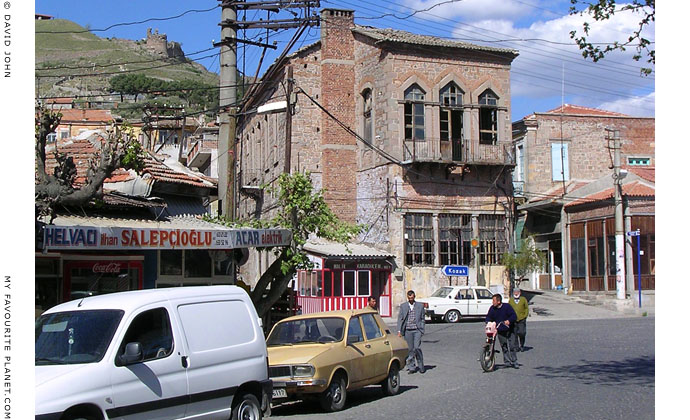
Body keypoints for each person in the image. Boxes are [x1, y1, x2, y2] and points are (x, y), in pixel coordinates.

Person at [485, 293, 519, 368]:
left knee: (512, 346)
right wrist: (488, 322)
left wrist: (509, 321)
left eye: (494, 301)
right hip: (500, 330)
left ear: (499, 301)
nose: (492, 302)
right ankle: (507, 361)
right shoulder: (492, 309)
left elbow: (514, 316)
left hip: (510, 329)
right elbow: (488, 317)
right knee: (504, 346)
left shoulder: (507, 307)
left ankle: (514, 361)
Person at [397, 290, 425, 374]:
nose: (411, 300)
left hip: (417, 330)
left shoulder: (420, 306)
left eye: (412, 298)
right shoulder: (403, 306)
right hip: (408, 330)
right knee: (410, 349)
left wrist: (422, 328)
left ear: (414, 297)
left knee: (417, 347)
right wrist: (399, 331)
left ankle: (420, 365)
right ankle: (411, 367)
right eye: (409, 298)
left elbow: (423, 318)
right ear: (407, 298)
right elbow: (400, 319)